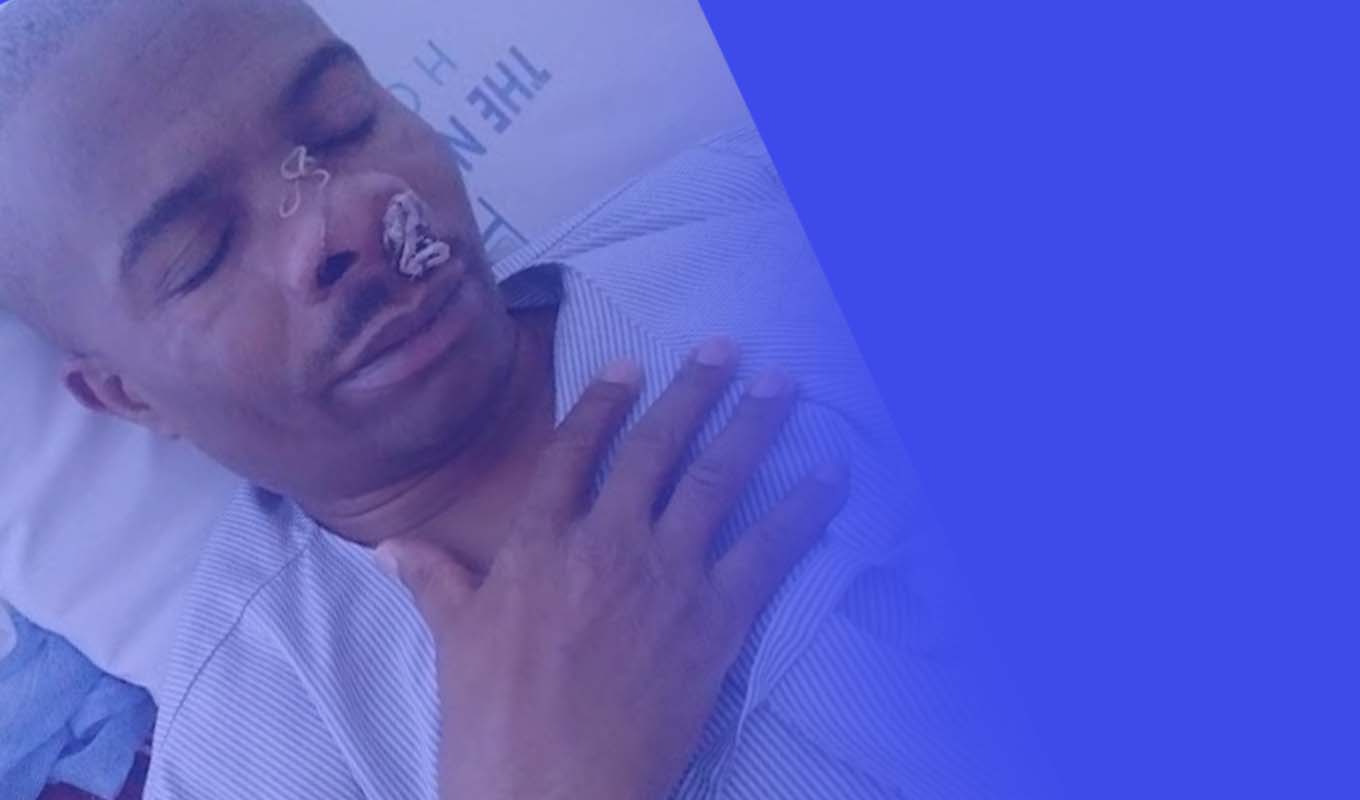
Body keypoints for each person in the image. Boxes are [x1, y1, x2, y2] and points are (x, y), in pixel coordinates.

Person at [0, 0, 997, 797]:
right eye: (201, 253)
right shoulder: (250, 752)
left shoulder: (759, 214)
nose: (337, 221)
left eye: (346, 123)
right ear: (126, 394)